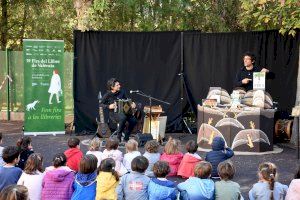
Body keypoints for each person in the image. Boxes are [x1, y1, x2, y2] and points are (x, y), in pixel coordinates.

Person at [100, 78, 137, 142]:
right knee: (123, 118)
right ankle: (118, 137)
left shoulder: (122, 92)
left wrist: (133, 104)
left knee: (133, 120)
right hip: (114, 114)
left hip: (125, 112)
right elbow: (100, 104)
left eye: (119, 84)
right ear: (112, 87)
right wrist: (109, 106)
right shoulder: (108, 95)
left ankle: (126, 137)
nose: (119, 86)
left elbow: (128, 100)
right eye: (117, 85)